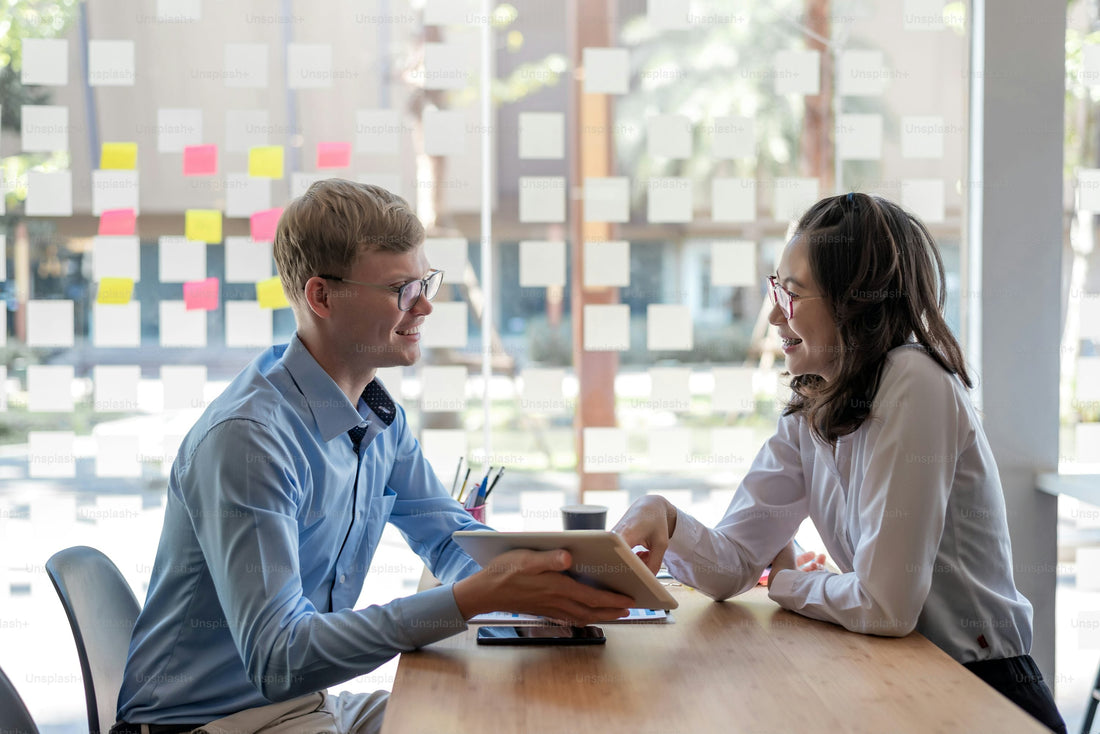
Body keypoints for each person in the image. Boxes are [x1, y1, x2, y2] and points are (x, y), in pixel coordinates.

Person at [113, 179, 632, 733]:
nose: (426, 305)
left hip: (305, 705)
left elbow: (452, 540)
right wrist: (470, 600)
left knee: (498, 718)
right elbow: (279, 658)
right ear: (321, 297)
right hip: (214, 724)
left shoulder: (378, 416)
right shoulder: (249, 440)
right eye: (401, 288)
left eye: (425, 281)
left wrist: (552, 581)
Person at [614, 193, 1067, 733]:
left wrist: (785, 581)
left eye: (793, 293)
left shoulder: (913, 380)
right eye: (775, 289)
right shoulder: (815, 406)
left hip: (981, 690)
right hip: (899, 679)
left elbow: (884, 608)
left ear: (856, 302)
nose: (776, 313)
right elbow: (732, 567)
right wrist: (665, 516)